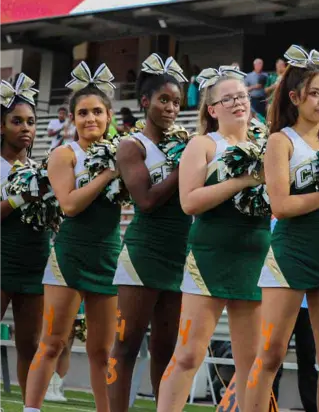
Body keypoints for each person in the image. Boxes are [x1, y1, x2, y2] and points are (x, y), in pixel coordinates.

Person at [155, 66, 270, 412]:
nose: (238, 102)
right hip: (210, 256)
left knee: (251, 361)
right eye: (228, 98)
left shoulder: (266, 145)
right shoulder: (203, 144)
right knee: (188, 354)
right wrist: (243, 180)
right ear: (213, 109)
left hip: (254, 255)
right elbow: (189, 201)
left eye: (242, 96)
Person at [244, 47, 319, 412]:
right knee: (270, 355)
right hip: (289, 254)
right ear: (294, 97)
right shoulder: (281, 140)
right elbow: (281, 206)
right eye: (314, 93)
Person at [25, 62, 122, 412]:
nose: (90, 118)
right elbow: (68, 205)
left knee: (102, 351)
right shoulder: (63, 154)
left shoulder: (123, 152)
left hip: (108, 256)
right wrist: (108, 174)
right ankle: (31, 409)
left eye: (97, 111)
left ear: (109, 116)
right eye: (82, 113)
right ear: (71, 119)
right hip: (69, 257)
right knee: (52, 342)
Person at [107, 55, 191, 412]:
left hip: (178, 254)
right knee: (126, 345)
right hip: (143, 254)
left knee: (166, 349)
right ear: (145, 101)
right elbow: (145, 200)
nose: (171, 108)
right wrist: (185, 167)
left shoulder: (184, 144)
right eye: (163, 100)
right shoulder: (132, 145)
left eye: (176, 102)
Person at [0, 75, 50, 401]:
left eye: (30, 122)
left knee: (30, 344)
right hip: (2, 257)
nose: (25, 128)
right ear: (1, 126)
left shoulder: (40, 168)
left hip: (34, 262)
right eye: (16, 121)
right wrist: (20, 197)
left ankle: (29, 407)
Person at [270, 219, 318, 412]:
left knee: (308, 360)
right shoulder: (271, 224)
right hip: (281, 301)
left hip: (307, 304)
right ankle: (269, 406)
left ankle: (313, 407)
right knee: (273, 360)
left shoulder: (310, 224)